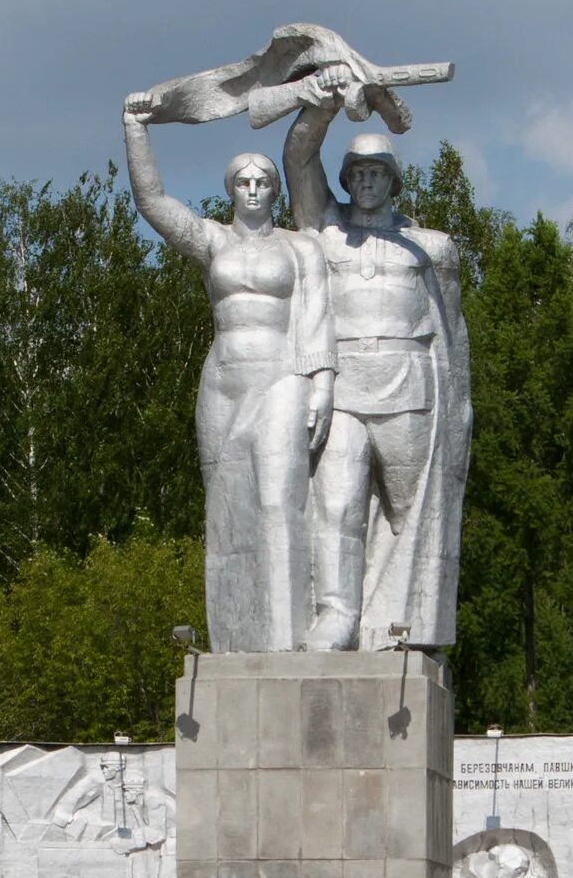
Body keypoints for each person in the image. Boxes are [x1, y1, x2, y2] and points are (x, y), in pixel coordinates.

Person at [122, 98, 330, 651]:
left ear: (276, 191)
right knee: (224, 508)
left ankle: (287, 636)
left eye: (264, 180)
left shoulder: (301, 247)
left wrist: (323, 385)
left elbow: (315, 321)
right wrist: (136, 129)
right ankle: (232, 643)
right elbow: (152, 201)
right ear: (230, 189)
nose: (255, 189)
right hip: (223, 379)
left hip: (282, 377)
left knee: (279, 503)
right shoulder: (212, 240)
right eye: (243, 181)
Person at [282, 73, 472, 650]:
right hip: (341, 392)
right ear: (346, 180)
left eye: (376, 174)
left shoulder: (431, 247)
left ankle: (402, 625)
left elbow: (452, 334)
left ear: (393, 181)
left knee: (412, 511)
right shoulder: (323, 230)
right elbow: (297, 156)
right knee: (336, 507)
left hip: (408, 390)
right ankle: (337, 616)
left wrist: (460, 409)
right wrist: (327, 102)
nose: (366, 183)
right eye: (357, 174)